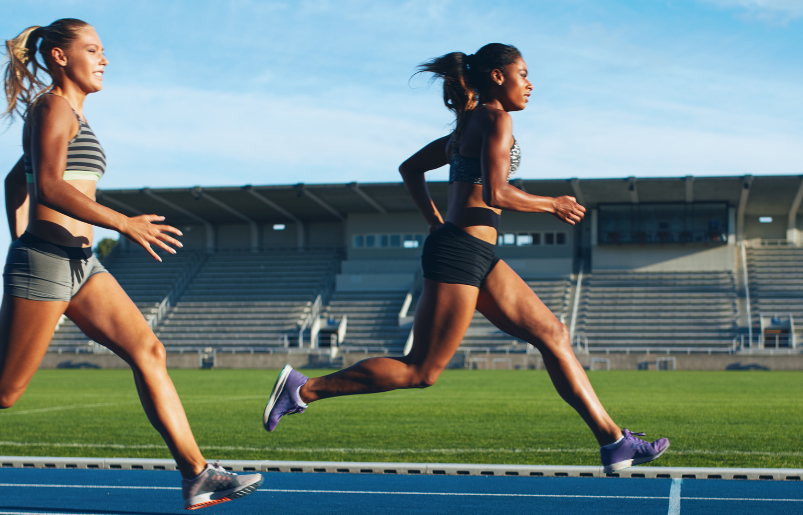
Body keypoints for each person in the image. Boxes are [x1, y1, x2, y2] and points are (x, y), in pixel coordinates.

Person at [0, 19, 261, 510]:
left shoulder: (72, 115)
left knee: (149, 351)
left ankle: (197, 474)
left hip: (81, 265)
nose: (105, 59)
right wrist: (117, 225)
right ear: (60, 56)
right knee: (2, 391)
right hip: (47, 263)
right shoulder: (53, 107)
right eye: (93, 49)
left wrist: (24, 236)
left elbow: (18, 181)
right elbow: (48, 186)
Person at [262, 44, 669, 474]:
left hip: (475, 252)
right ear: (497, 76)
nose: (530, 85)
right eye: (523, 74)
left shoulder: (468, 125)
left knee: (553, 333)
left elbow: (410, 169)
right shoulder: (495, 119)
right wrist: (553, 204)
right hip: (460, 253)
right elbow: (496, 193)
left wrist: (435, 220)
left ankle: (613, 441)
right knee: (420, 371)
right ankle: (303, 390)